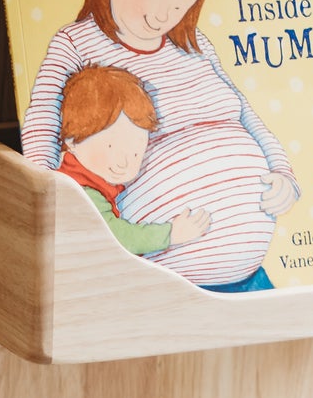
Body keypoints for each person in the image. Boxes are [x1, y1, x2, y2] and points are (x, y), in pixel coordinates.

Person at [21, 0, 298, 291]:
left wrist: (283, 174)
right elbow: (42, 129)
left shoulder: (194, 44)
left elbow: (245, 114)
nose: (168, 11)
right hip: (158, 279)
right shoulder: (76, 44)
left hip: (250, 276)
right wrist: (57, 218)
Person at [56, 66, 210, 259]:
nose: (124, 162)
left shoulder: (85, 182)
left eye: (135, 151)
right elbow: (117, 237)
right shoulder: (79, 192)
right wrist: (170, 234)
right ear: (71, 140)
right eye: (110, 147)